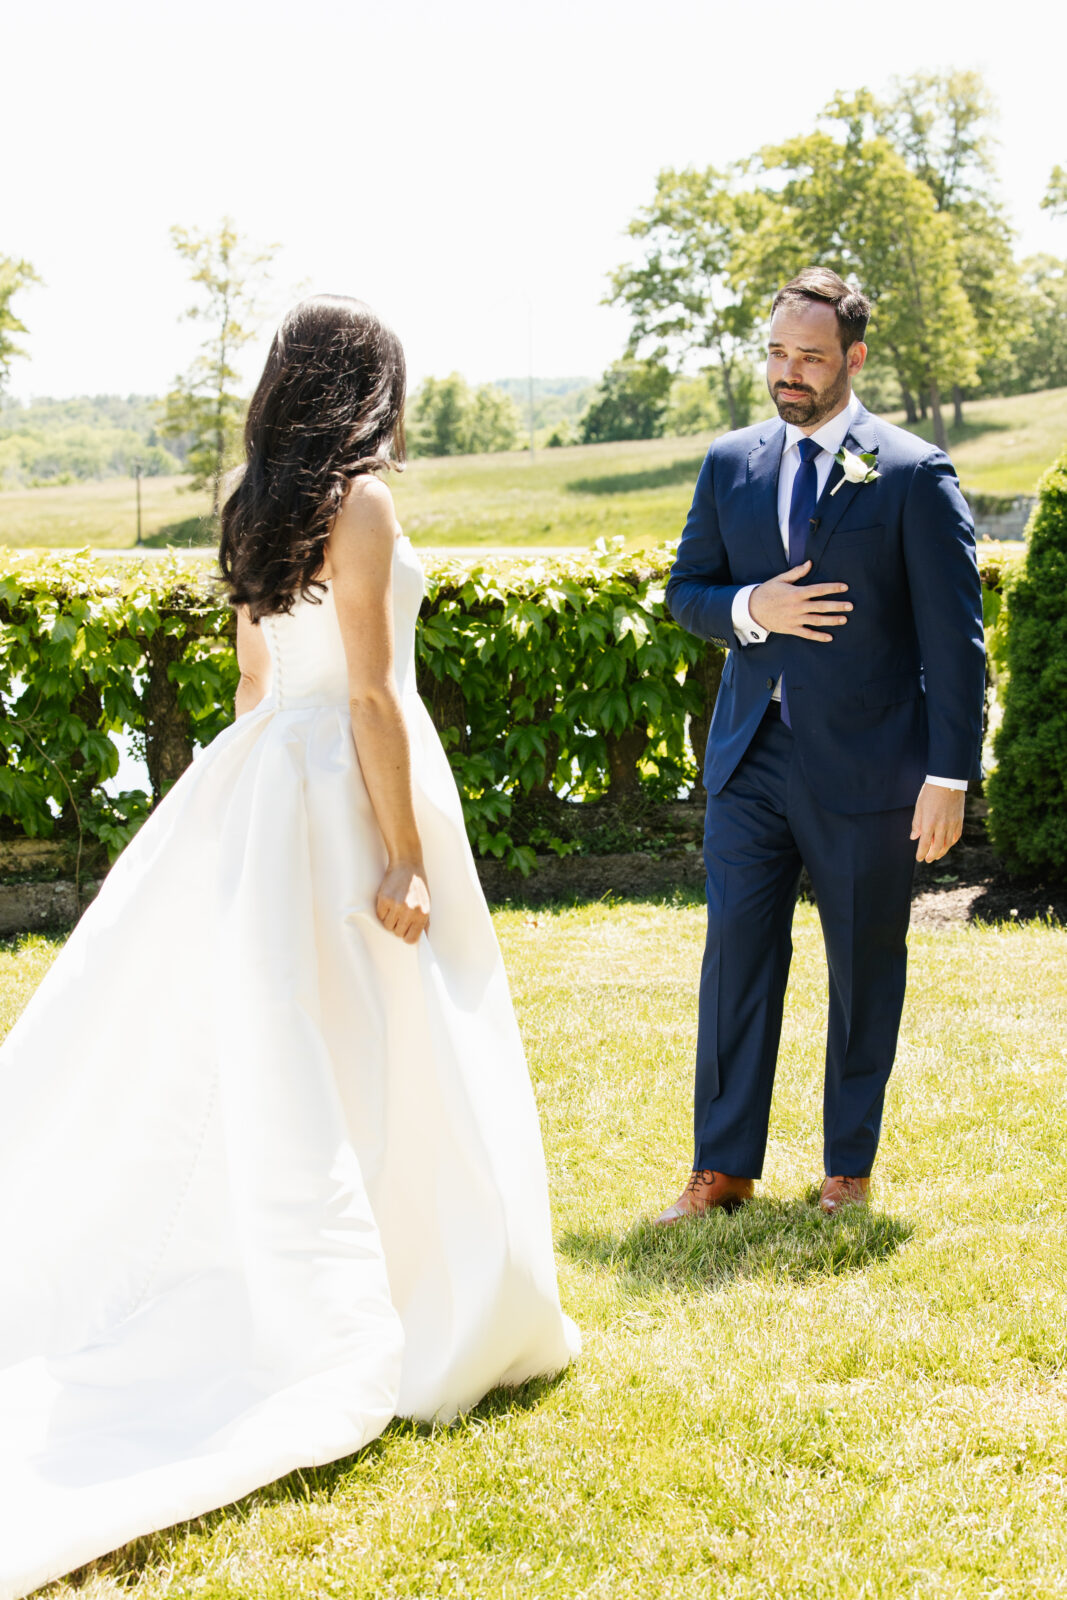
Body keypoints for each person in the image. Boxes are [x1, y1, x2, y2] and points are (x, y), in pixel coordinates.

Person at [0, 295, 577, 1600]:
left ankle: (358, 1271)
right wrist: (403, 855)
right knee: (390, 1038)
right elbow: (368, 690)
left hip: (271, 781)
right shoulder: (360, 502)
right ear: (369, 390)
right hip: (349, 787)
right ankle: (421, 1304)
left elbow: (256, 687)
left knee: (302, 1039)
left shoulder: (251, 500)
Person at [657, 267, 985, 1225]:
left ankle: (847, 1166)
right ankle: (720, 1169)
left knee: (863, 964)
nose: (787, 373)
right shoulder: (730, 463)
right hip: (749, 759)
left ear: (853, 358)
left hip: (873, 766)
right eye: (776, 354)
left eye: (808, 357)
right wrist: (751, 609)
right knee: (736, 963)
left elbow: (952, 639)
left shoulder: (912, 472)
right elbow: (687, 593)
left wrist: (948, 774)